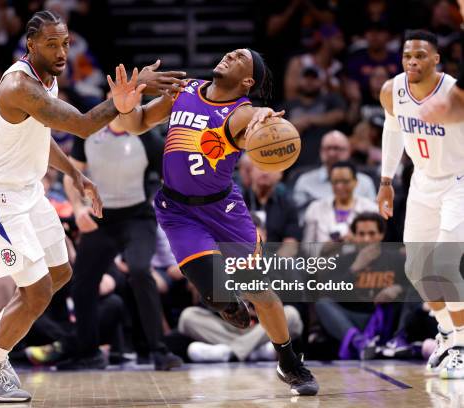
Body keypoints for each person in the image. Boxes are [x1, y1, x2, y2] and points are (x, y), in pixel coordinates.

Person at [0, 10, 186, 402]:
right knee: (37, 292)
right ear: (31, 45)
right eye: (52, 44)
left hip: (28, 191)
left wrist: (75, 175)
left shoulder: (47, 78)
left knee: (60, 272)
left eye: (65, 43)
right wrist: (124, 97)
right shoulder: (18, 85)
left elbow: (40, 133)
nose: (62, 51)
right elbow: (82, 125)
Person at [117, 48, 319, 395]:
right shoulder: (185, 91)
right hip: (179, 210)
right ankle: (226, 303)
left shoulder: (241, 113)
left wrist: (266, 117)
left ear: (247, 81)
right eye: (229, 51)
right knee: (215, 292)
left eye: (239, 56)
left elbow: (259, 115)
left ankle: (288, 362)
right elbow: (136, 123)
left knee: (262, 294)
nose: (229, 54)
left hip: (223, 211)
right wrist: (124, 104)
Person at [62, 113, 182, 370]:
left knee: (140, 270)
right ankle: (88, 354)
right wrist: (78, 208)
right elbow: (71, 174)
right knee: (82, 283)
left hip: (137, 217)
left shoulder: (149, 138)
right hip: (100, 217)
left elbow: (170, 180)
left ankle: (158, 350)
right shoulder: (88, 131)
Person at [377, 30, 464, 380]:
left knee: (444, 262)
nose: (412, 61)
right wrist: (385, 181)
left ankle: (460, 345)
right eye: (407, 55)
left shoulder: (455, 93)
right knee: (417, 269)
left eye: (420, 55)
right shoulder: (392, 90)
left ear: (436, 59)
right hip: (422, 182)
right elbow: (393, 130)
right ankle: (446, 333)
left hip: (459, 181)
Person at [315, 212, 406, 360]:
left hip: (384, 319)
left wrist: (399, 289)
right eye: (361, 234)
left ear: (381, 235)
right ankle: (359, 342)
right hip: (354, 319)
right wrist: (354, 268)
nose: (366, 239)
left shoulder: (396, 259)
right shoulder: (343, 260)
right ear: (354, 237)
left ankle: (396, 341)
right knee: (322, 304)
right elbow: (330, 292)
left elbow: (414, 289)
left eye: (371, 234)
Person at [292, 130, 376, 219]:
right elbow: (298, 218)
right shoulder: (304, 181)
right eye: (327, 148)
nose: (332, 153)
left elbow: (372, 217)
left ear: (348, 151)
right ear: (321, 151)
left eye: (337, 148)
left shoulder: (364, 182)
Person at [303, 161, 377, 244]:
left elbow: (376, 244)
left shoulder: (371, 209)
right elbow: (307, 248)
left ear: (355, 182)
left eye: (345, 182)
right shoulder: (315, 208)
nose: (339, 186)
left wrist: (356, 241)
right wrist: (324, 248)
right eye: (335, 182)